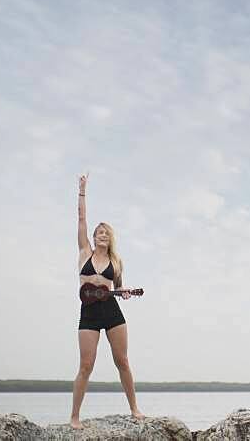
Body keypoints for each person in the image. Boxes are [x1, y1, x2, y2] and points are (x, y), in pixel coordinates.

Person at [70, 172, 146, 429]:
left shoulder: (116, 262)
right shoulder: (84, 253)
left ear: (110, 237)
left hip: (112, 311)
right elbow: (81, 219)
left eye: (106, 232)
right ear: (93, 237)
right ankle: (75, 417)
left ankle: (134, 408)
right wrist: (82, 190)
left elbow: (120, 289)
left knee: (122, 361)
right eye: (98, 232)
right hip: (89, 312)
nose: (102, 234)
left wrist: (125, 292)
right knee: (86, 365)